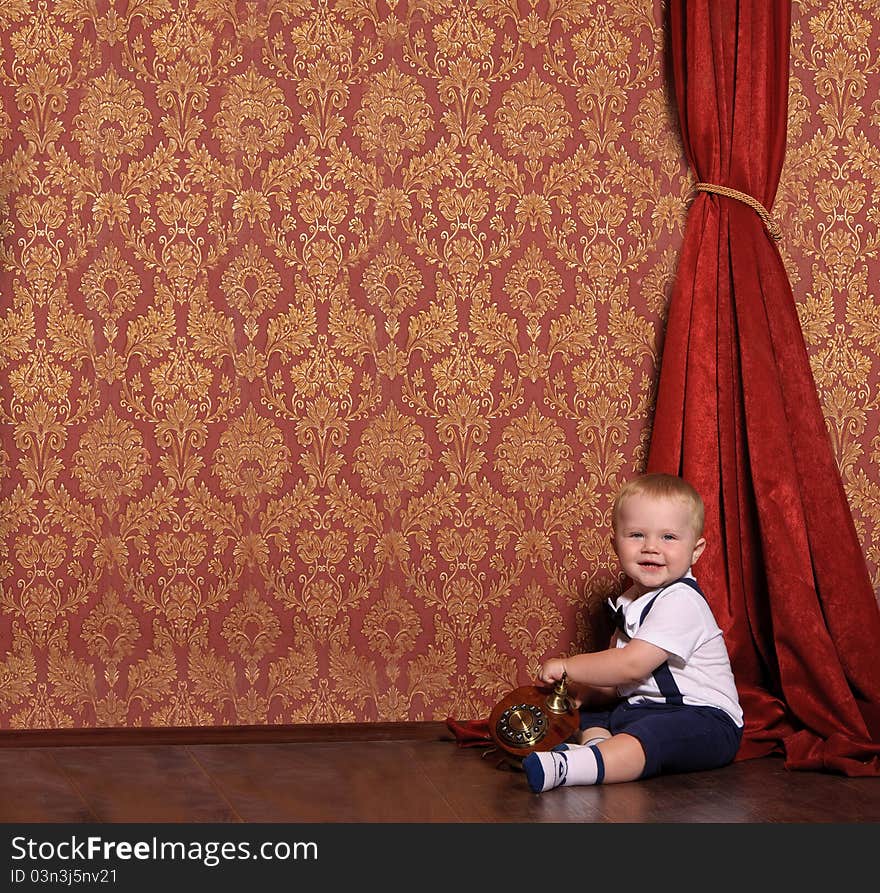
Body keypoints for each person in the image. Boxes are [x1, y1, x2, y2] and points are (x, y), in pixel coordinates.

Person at [522, 472, 743, 793]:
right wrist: (587, 692)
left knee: (653, 736)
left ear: (695, 551)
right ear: (615, 544)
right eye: (637, 535)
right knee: (596, 712)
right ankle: (596, 749)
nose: (651, 547)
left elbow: (630, 665)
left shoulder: (682, 600)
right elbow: (617, 683)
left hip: (703, 720)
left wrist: (569, 665)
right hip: (643, 710)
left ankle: (574, 766)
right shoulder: (629, 602)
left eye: (669, 537)